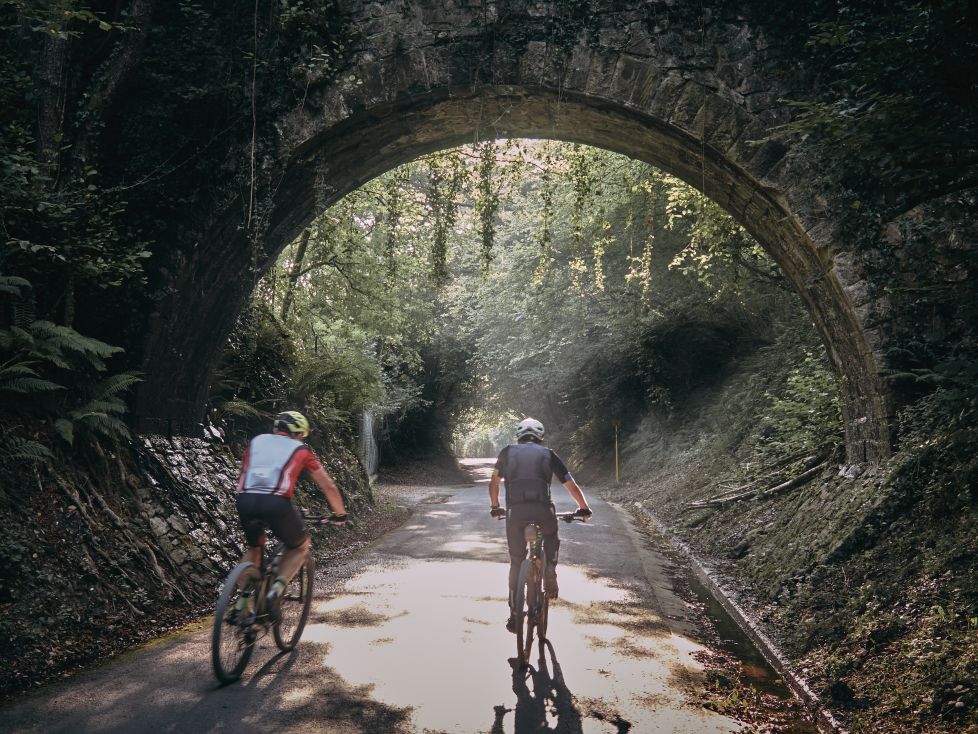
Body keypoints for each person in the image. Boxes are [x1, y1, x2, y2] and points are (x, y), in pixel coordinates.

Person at [233, 410, 347, 617]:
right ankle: (275, 591)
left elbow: (246, 472)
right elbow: (328, 486)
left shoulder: (256, 441)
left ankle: (242, 601)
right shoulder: (301, 450)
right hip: (276, 503)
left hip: (246, 500)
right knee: (300, 545)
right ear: (299, 433)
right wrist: (340, 514)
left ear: (277, 428)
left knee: (254, 549)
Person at [488, 417, 592, 632]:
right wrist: (584, 508)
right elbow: (570, 485)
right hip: (543, 511)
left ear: (519, 436)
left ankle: (515, 613)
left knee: (516, 561)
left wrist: (495, 506)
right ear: (540, 437)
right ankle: (550, 569)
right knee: (551, 535)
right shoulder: (549, 454)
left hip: (515, 513)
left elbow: (494, 482)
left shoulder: (507, 453)